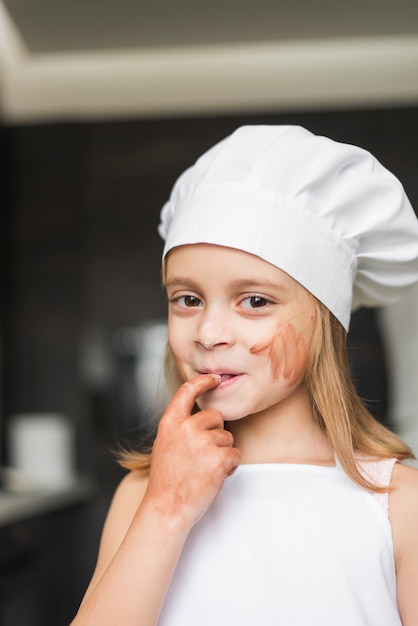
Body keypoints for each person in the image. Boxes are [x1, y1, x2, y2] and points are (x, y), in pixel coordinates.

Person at [71, 125, 418, 626]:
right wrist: (166, 510)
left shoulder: (397, 503)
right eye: (187, 299)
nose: (209, 332)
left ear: (326, 322)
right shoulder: (144, 494)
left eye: (254, 301)